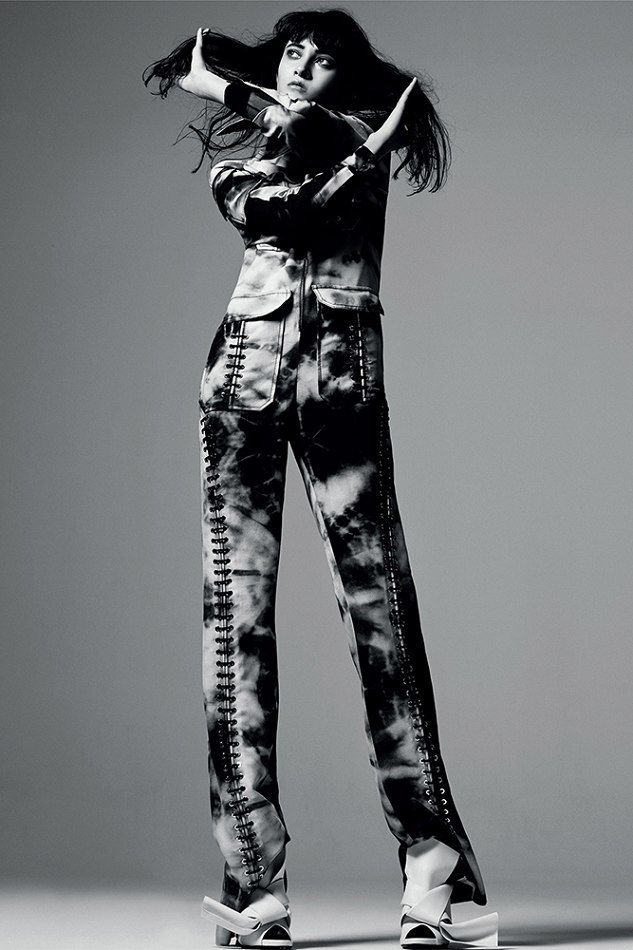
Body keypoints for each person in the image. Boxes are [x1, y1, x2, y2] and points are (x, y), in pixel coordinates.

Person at [143, 9, 499, 949]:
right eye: (293, 54)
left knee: (381, 613)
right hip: (240, 381)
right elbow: (274, 213)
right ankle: (254, 885)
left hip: (341, 382)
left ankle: (432, 867)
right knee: (235, 631)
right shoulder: (245, 165)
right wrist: (241, 99)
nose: (303, 68)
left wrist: (236, 91)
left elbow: (316, 146)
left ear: (347, 79)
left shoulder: (349, 138)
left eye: (324, 59)